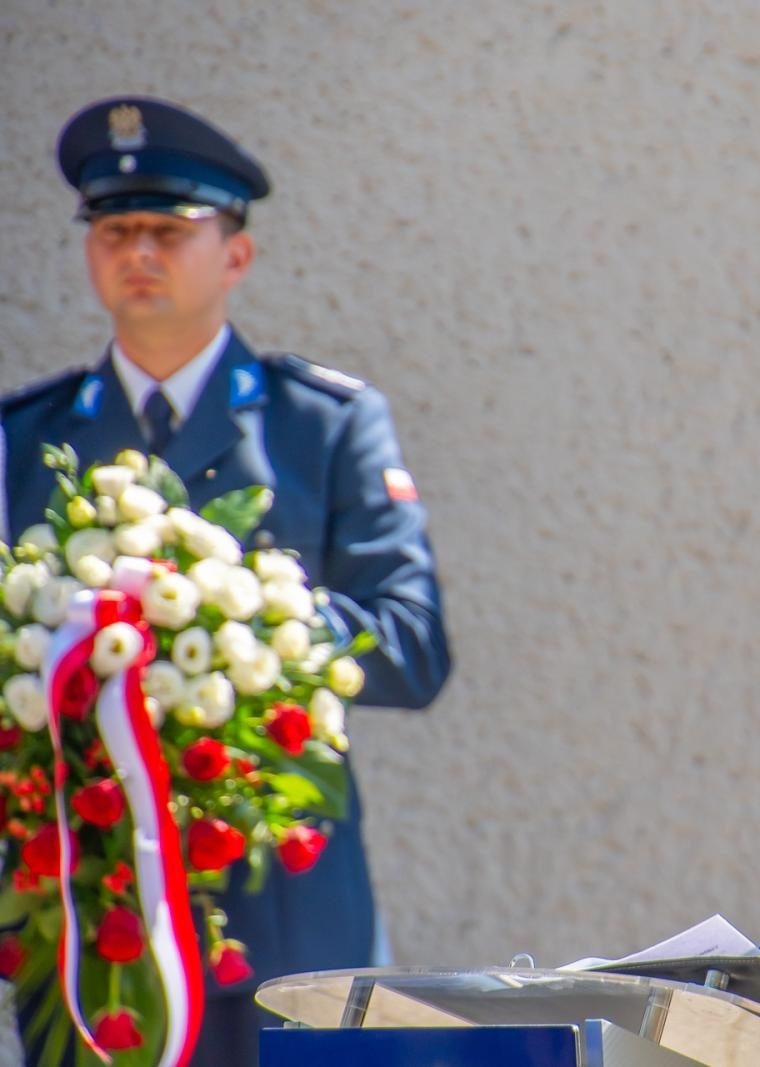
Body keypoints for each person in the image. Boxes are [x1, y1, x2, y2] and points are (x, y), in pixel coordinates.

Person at [1, 96, 452, 1065]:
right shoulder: (23, 439)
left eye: (168, 230)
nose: (138, 251)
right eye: (114, 230)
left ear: (235, 254)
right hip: (90, 917)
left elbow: (413, 646)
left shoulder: (322, 424)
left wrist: (244, 616)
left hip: (282, 917)